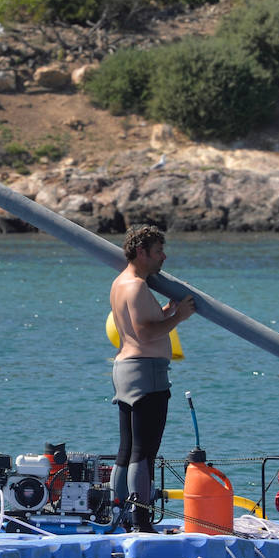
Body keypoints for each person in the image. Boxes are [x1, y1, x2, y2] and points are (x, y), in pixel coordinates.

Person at [108, 225, 196, 532]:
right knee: (144, 451)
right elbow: (144, 334)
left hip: (124, 370)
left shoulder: (121, 283)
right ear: (141, 252)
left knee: (127, 448)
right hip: (146, 373)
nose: (164, 256)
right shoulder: (136, 287)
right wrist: (178, 317)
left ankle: (117, 513)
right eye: (158, 250)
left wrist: (165, 311)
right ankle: (141, 520)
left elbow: (137, 323)